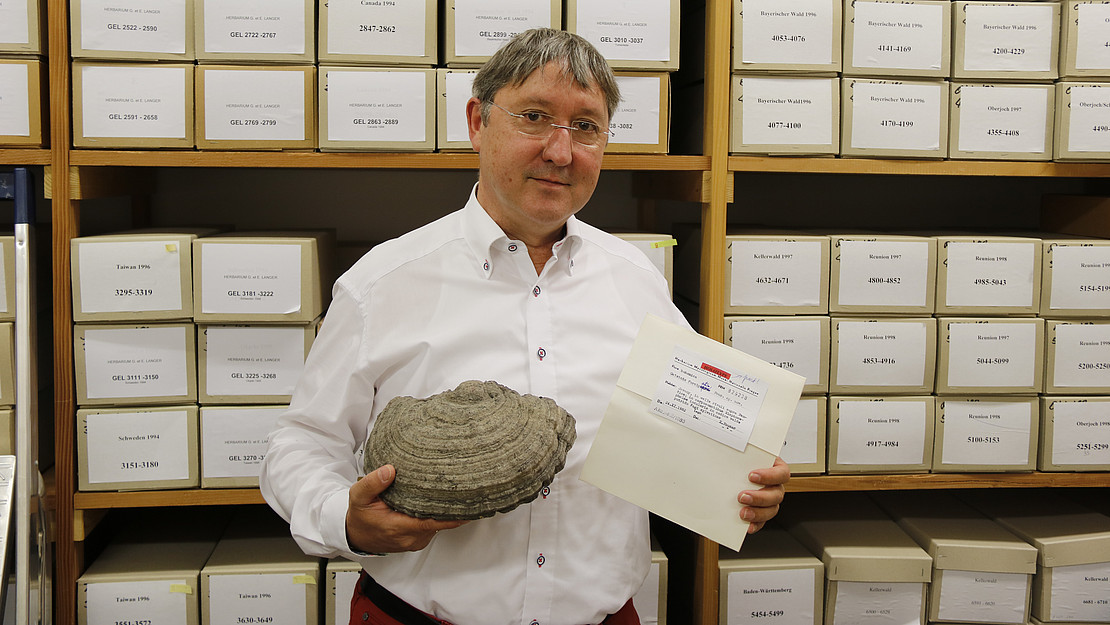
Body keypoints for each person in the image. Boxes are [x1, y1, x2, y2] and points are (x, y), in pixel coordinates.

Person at [259, 27, 790, 625]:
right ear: (477, 122)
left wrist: (742, 481)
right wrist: (343, 517)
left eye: (586, 126)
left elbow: (691, 435)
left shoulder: (635, 280)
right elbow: (301, 443)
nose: (561, 152)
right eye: (535, 117)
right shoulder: (382, 283)